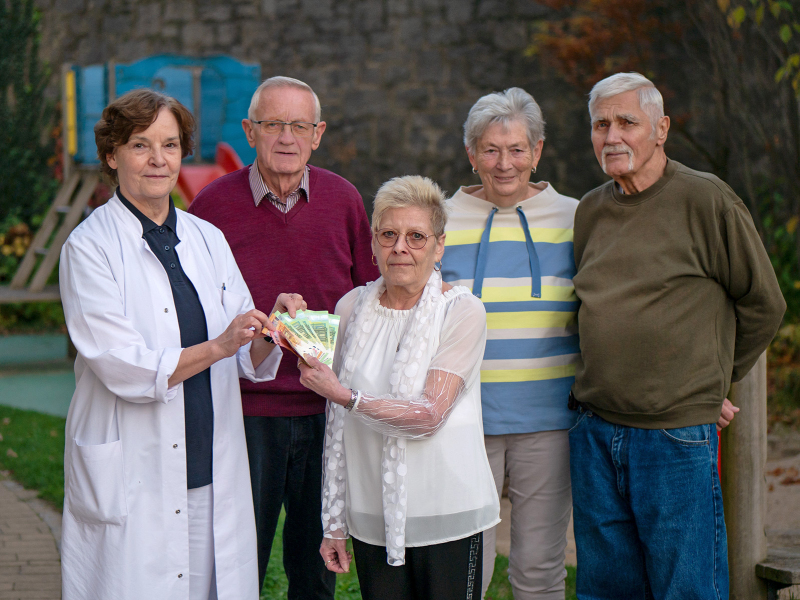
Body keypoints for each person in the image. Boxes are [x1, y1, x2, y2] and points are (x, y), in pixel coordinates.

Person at [59, 89, 305, 600]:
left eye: (170, 145)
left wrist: (272, 331)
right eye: (140, 145)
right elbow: (124, 367)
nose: (158, 160)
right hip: (135, 471)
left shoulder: (206, 238)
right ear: (112, 155)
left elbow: (246, 357)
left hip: (209, 467)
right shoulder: (89, 248)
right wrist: (218, 345)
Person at [570, 72, 786, 598]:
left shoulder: (706, 200)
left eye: (627, 122)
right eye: (601, 124)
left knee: (685, 589)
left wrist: (712, 383)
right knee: (606, 590)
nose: (612, 136)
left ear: (661, 129)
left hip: (674, 436)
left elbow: (764, 303)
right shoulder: (591, 210)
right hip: (595, 432)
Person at [188, 76, 377, 598]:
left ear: (317, 134)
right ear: (250, 131)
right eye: (274, 125)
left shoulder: (344, 200)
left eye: (299, 126)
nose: (287, 137)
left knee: (316, 568)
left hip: (325, 413)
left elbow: (366, 297)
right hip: (242, 415)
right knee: (235, 563)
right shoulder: (211, 207)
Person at [295, 175, 500, 600]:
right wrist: (287, 322)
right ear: (372, 243)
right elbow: (336, 424)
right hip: (373, 519)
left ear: (439, 246)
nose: (400, 247)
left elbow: (427, 416)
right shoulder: (351, 307)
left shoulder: (461, 311)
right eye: (388, 234)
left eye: (416, 236)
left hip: (448, 515)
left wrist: (347, 396)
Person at [439, 88, 579, 600]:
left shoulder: (574, 217)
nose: (504, 164)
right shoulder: (438, 220)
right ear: (471, 154)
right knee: (463, 572)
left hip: (548, 422)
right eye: (490, 150)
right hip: (461, 420)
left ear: (537, 151)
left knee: (539, 571)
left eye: (517, 149)